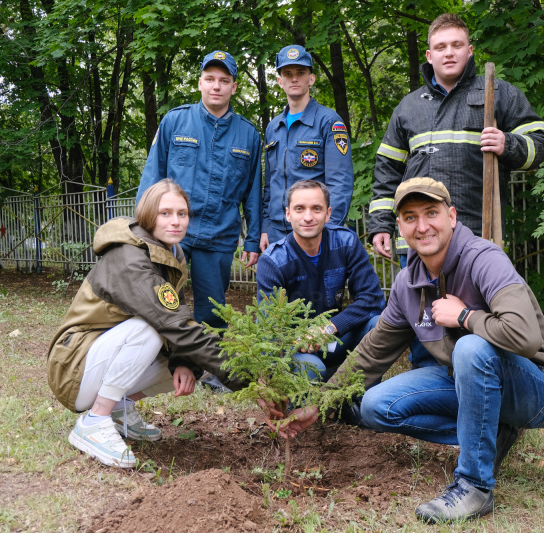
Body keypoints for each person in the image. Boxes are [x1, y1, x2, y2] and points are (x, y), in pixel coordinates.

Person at [266, 178, 544, 523]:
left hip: (539, 390)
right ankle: (492, 433)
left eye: (431, 213)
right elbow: (371, 353)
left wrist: (465, 316)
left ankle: (475, 486)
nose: (422, 226)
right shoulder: (408, 283)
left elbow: (525, 336)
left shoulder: (484, 259)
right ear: (399, 226)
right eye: (410, 217)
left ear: (452, 216)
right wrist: (319, 404)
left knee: (471, 348)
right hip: (466, 381)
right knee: (374, 405)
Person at [47, 180, 243, 469]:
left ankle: (118, 408)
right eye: (165, 213)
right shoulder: (129, 256)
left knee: (191, 363)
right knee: (151, 327)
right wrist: (248, 378)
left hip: (102, 358)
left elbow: (180, 314)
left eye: (182, 213)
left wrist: (183, 362)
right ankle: (94, 420)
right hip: (73, 367)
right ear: (148, 215)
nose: (176, 221)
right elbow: (172, 324)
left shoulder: (171, 253)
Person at [369, 13, 544, 265]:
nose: (449, 53)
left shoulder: (499, 93)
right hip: (418, 241)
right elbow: (387, 172)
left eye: (457, 45)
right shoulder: (408, 107)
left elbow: (541, 145)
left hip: (477, 237)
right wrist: (380, 224)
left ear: (470, 50)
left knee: (471, 307)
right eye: (440, 47)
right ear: (429, 56)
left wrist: (507, 144)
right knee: (420, 306)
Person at [136, 50, 262, 332]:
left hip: (219, 235)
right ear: (200, 83)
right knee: (160, 298)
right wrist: (141, 227)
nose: (216, 86)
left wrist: (253, 240)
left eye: (224, 80)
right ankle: (161, 359)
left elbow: (254, 192)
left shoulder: (249, 135)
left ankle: (208, 367)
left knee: (213, 310)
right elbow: (152, 176)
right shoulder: (175, 122)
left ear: (234, 86)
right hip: (173, 231)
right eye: (210, 79)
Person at [257, 180, 384, 381]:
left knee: (378, 325)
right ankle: (309, 398)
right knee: (313, 369)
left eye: (316, 209)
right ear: (288, 214)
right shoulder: (273, 261)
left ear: (328, 213)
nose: (308, 217)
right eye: (299, 209)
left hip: (335, 335)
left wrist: (329, 328)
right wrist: (268, 377)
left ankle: (362, 396)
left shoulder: (346, 243)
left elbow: (373, 299)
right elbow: (268, 327)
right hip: (297, 346)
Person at [261, 45, 354, 250]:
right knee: (277, 284)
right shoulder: (273, 128)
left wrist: (330, 230)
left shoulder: (329, 121)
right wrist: (266, 226)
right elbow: (270, 184)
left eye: (301, 73)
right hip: (277, 231)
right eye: (288, 73)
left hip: (315, 230)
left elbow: (340, 182)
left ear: (311, 78)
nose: (294, 79)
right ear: (280, 81)